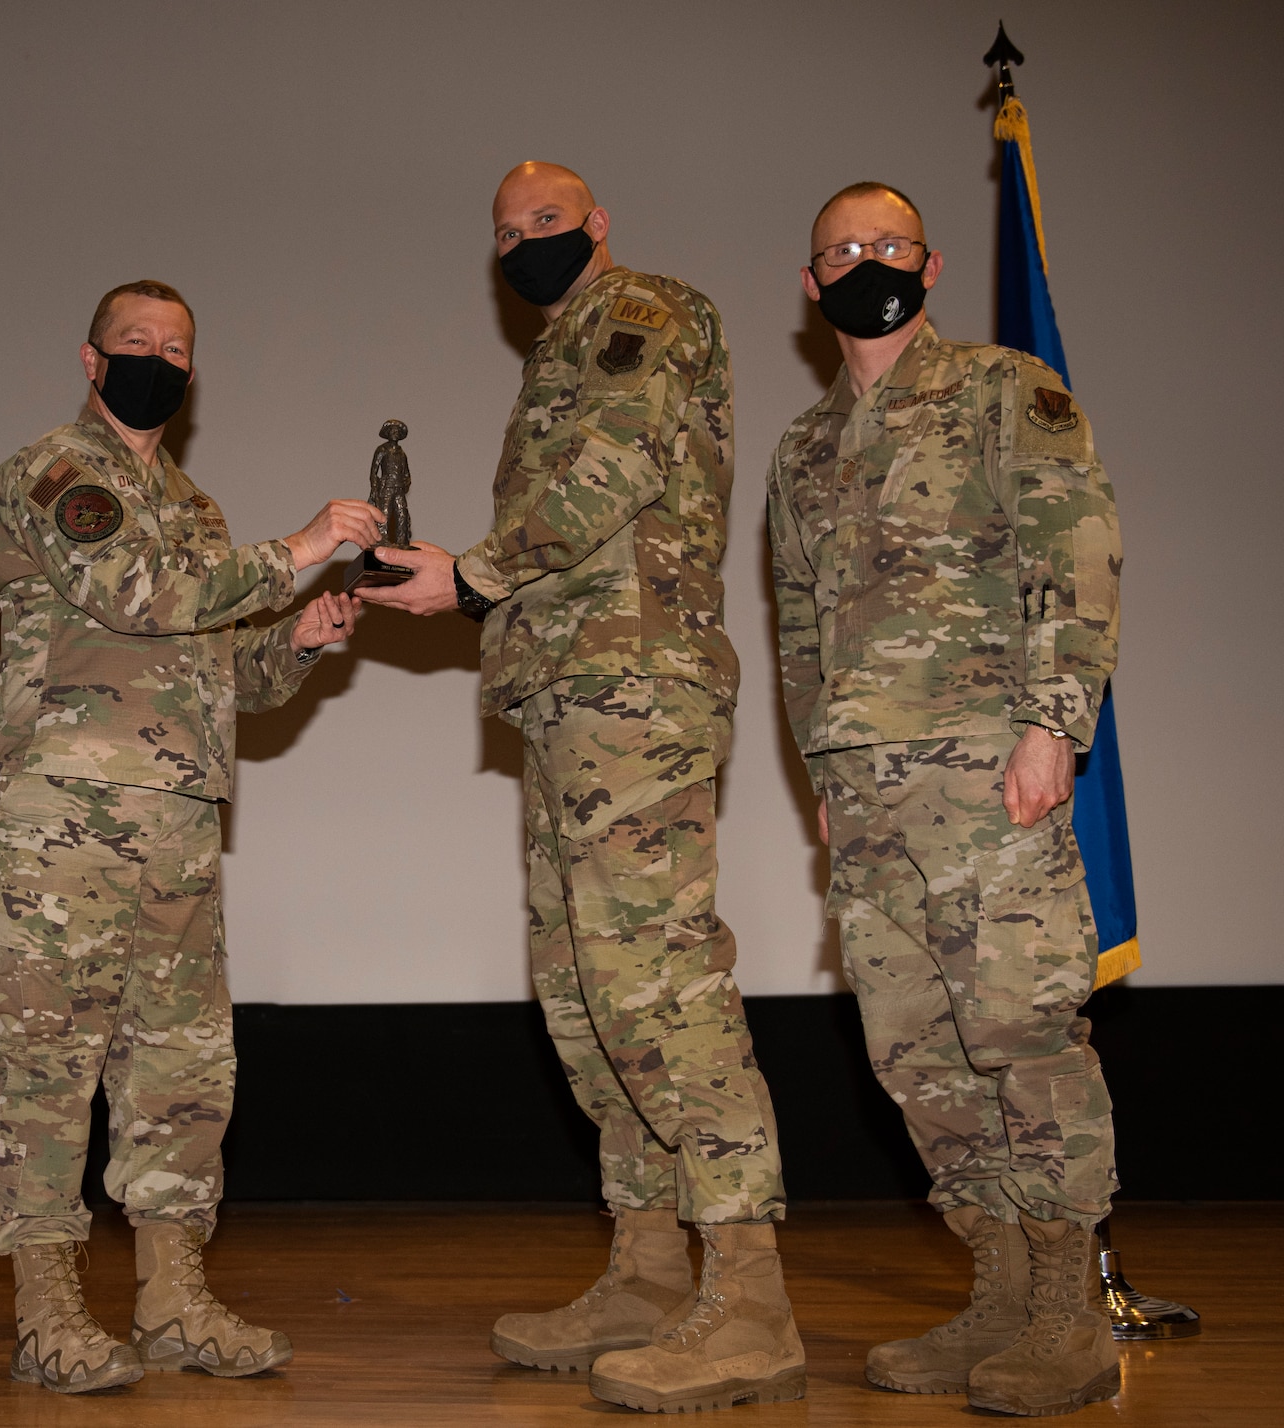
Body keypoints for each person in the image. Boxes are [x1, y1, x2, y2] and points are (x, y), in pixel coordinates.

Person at [360, 162, 804, 1415]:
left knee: (656, 976)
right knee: (582, 986)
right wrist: (465, 587)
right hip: (570, 698)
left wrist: (474, 572)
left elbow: (610, 470)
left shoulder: (640, 314)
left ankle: (750, 1295)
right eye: (505, 231)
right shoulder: (551, 355)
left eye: (544, 222)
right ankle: (649, 1266)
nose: (524, 243)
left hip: (634, 689)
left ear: (597, 227)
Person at [0, 279, 378, 1393]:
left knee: (179, 1069)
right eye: (133, 341)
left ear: (191, 375)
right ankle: (48, 1309)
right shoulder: (54, 474)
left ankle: (171, 1299)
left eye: (175, 346)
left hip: (178, 826)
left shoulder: (193, 508)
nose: (155, 357)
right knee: (49, 1066)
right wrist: (293, 547)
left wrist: (298, 637)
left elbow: (226, 674)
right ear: (92, 360)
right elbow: (134, 594)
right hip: (62, 822)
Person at [767, 182, 1123, 1417]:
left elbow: (1070, 551)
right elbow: (797, 630)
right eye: (839, 253)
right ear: (809, 287)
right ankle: (995, 1294)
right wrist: (820, 770)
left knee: (1020, 1034)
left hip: (988, 774)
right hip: (866, 799)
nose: (865, 264)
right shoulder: (804, 449)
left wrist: (1049, 727)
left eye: (887, 245)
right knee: (912, 1052)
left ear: (925, 263)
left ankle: (1068, 1314)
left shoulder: (998, 390)